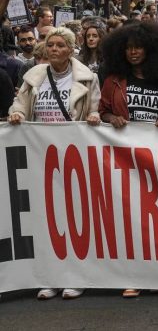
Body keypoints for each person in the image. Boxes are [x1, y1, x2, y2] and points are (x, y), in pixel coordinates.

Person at [8, 27, 101, 300]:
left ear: (71, 49)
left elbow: (94, 107)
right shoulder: (34, 77)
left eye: (61, 45)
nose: (54, 50)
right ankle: (50, 277)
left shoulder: (87, 78)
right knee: (45, 219)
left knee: (74, 218)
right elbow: (21, 103)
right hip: (40, 156)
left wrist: (94, 116)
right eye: (51, 45)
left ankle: (77, 276)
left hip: (74, 156)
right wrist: (16, 113)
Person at [98, 22, 158, 298]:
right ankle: (133, 275)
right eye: (128, 49)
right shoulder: (113, 80)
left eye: (137, 48)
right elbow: (102, 111)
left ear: (151, 49)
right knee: (130, 218)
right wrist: (112, 118)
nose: (133, 53)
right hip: (125, 160)